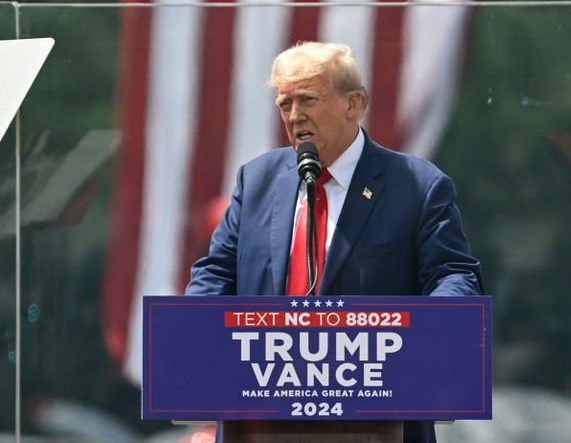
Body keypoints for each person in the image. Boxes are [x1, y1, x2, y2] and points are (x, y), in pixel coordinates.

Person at [186, 41, 483, 442]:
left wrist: (424, 334)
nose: (294, 116)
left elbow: (454, 275)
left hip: (375, 419)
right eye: (284, 103)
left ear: (353, 104)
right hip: (260, 419)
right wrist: (196, 328)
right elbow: (216, 270)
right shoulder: (256, 180)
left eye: (307, 99)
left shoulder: (415, 185)